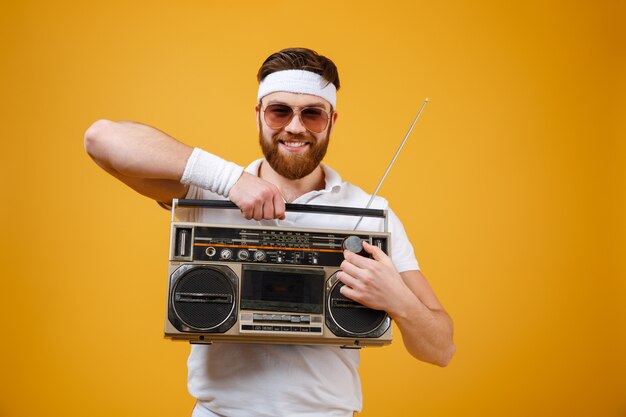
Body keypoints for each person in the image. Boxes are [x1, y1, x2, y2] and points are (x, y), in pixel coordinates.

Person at [84, 47, 455, 417]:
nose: (295, 127)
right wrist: (229, 180)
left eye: (312, 114)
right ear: (258, 114)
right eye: (280, 111)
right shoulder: (206, 192)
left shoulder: (372, 214)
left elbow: (441, 350)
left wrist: (398, 301)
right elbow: (100, 139)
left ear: (332, 121)